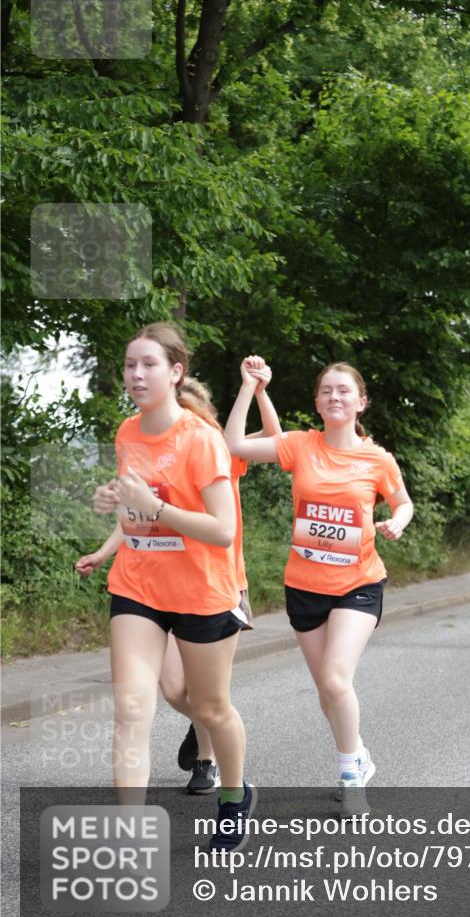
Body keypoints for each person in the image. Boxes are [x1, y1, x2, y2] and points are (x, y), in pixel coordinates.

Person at [74, 321, 252, 851]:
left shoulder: (201, 441)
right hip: (138, 586)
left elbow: (222, 529)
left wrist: (157, 508)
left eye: (149, 364)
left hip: (201, 590)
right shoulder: (128, 433)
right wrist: (119, 505)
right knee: (132, 709)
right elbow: (138, 509)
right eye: (130, 365)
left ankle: (234, 795)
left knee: (209, 707)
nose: (136, 373)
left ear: (176, 373)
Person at [224, 359, 413, 815]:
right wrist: (251, 387)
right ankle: (360, 754)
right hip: (304, 586)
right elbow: (233, 444)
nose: (335, 397)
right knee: (327, 690)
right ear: (317, 402)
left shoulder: (377, 458)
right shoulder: (299, 445)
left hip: (359, 584)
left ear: (361, 403)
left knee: (334, 677)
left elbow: (402, 501)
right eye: (326, 391)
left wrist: (398, 523)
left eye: (344, 391)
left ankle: (351, 773)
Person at [161, 363, 282, 794]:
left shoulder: (221, 449)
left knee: (208, 692)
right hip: (165, 586)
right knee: (174, 688)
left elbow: (274, 436)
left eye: (191, 412)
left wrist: (255, 388)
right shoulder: (158, 455)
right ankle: (202, 724)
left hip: (220, 585)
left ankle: (208, 761)